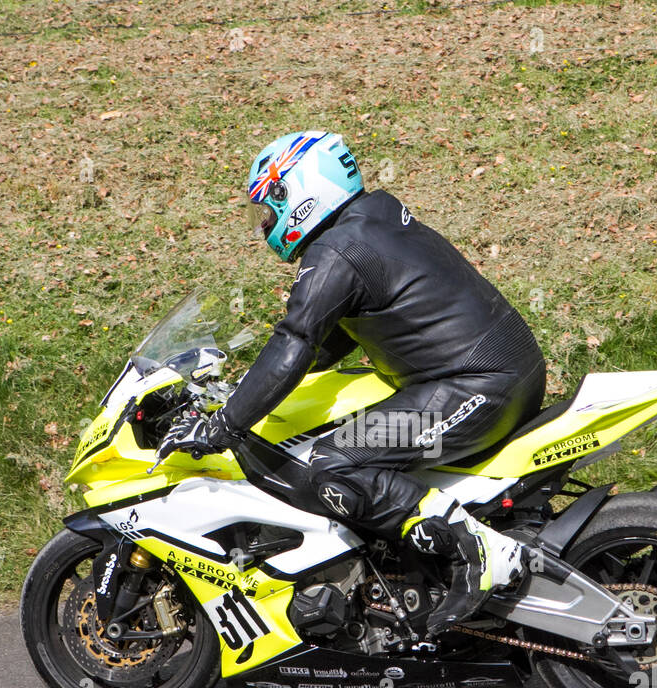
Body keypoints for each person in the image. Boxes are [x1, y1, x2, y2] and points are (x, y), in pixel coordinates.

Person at [186, 131, 546, 635]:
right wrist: (243, 386)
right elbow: (325, 339)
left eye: (270, 207)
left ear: (300, 193)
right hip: (502, 371)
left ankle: (473, 549)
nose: (264, 225)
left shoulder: (338, 251)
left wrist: (226, 422)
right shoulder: (373, 217)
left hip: (475, 387)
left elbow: (297, 340)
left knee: (330, 464)